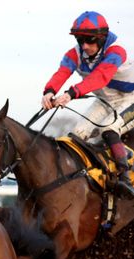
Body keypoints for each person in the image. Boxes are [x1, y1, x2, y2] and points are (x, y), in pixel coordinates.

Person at [41, 11, 134, 199]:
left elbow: (100, 77)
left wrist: (70, 94)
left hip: (130, 98)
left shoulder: (116, 51)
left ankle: (125, 178)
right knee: (77, 136)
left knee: (108, 129)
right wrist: (49, 91)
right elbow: (62, 72)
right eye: (80, 40)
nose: (85, 46)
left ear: (102, 38)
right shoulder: (75, 54)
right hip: (106, 101)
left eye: (90, 40)